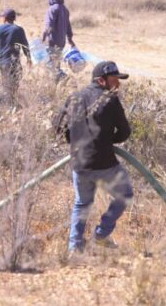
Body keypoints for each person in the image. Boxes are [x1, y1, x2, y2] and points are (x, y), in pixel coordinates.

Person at [54, 60, 133, 254]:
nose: (118, 84)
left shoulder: (73, 97)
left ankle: (74, 248)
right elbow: (124, 132)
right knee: (125, 195)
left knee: (82, 204)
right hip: (105, 163)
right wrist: (106, 141)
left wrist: (76, 141)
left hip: (79, 164)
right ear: (102, 80)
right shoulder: (110, 100)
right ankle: (101, 234)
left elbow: (58, 127)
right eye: (115, 79)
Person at [0, 8, 31, 106]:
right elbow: (25, 46)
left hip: (3, 63)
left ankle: (8, 104)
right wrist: (29, 58)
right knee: (14, 85)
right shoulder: (19, 30)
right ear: (13, 18)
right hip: (15, 62)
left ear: (5, 18)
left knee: (6, 84)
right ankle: (10, 104)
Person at [42, 0, 76, 80]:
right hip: (61, 42)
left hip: (52, 42)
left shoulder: (52, 9)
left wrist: (43, 38)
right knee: (56, 64)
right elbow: (68, 26)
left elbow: (49, 26)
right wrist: (70, 39)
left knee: (50, 65)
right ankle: (57, 83)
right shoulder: (65, 10)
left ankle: (63, 77)